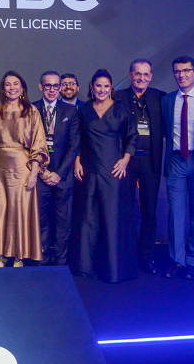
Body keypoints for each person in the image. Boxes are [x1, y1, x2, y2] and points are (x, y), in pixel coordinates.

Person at [72, 69, 138, 283]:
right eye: (98, 86)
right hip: (90, 170)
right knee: (88, 220)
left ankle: (114, 270)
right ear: (92, 87)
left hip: (114, 171)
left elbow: (132, 137)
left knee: (112, 218)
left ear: (111, 88)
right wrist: (77, 160)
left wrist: (125, 159)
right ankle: (85, 267)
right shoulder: (84, 110)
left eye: (105, 86)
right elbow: (78, 139)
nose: (101, 90)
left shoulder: (121, 109)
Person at [0, 71, 48, 267]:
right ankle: (0, 254)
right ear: (3, 88)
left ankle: (19, 255)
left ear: (22, 88)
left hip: (23, 167)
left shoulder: (31, 111)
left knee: (19, 211)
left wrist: (34, 172)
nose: (12, 87)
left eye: (16, 84)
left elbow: (39, 144)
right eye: (8, 84)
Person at [162, 56, 194, 280]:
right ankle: (178, 260)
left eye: (186, 71)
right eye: (177, 71)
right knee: (176, 213)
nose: (181, 75)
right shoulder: (167, 100)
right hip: (175, 160)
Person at [115, 59, 165, 275]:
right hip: (126, 161)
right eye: (137, 74)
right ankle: (126, 255)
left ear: (151, 76)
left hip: (150, 162)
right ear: (130, 74)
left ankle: (146, 257)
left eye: (145, 74)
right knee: (124, 210)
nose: (141, 78)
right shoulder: (118, 97)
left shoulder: (160, 97)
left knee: (149, 212)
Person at [33, 70, 80, 265]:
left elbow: (74, 145)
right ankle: (42, 257)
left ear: (60, 87)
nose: (52, 90)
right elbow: (27, 143)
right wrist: (43, 172)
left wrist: (58, 174)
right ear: (41, 87)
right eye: (48, 86)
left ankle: (61, 261)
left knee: (63, 221)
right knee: (41, 219)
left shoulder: (70, 111)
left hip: (63, 175)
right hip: (40, 175)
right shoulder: (32, 109)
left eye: (55, 86)